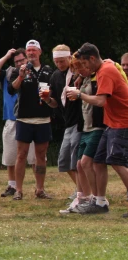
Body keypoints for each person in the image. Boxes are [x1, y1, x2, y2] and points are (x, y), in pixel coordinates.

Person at [72, 43, 128, 214]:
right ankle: (100, 203)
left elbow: (100, 101)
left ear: (92, 58)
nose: (85, 67)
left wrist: (79, 94)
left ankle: (100, 202)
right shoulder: (105, 68)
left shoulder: (105, 72)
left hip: (122, 122)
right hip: (112, 123)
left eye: (85, 63)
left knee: (117, 162)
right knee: (97, 160)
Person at [6, 40, 55, 200]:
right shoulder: (19, 70)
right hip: (24, 119)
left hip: (43, 119)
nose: (31, 53)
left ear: (40, 52)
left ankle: (40, 189)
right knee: (21, 155)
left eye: (34, 50)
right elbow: (11, 89)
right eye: (29, 51)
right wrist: (20, 76)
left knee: (41, 155)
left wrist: (49, 98)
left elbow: (54, 92)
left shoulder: (48, 70)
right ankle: (18, 190)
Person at [0, 47, 36, 198]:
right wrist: (6, 55)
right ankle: (12, 185)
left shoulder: (35, 73)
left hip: (30, 118)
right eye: (16, 61)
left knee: (34, 157)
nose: (20, 63)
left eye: (22, 60)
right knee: (10, 156)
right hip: (11, 119)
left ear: (27, 59)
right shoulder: (8, 74)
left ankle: (39, 187)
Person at [60, 54, 103, 213]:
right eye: (75, 69)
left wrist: (79, 94)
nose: (77, 71)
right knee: (79, 164)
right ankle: (83, 197)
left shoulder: (97, 77)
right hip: (85, 127)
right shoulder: (84, 78)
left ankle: (97, 199)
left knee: (86, 163)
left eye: (79, 68)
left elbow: (99, 100)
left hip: (96, 125)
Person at [43, 44, 83, 200]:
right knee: (64, 161)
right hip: (67, 122)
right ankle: (81, 189)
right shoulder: (55, 76)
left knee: (76, 161)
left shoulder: (77, 72)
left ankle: (82, 192)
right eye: (56, 62)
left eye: (62, 61)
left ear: (69, 57)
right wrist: (47, 100)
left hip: (79, 121)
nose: (59, 64)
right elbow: (55, 103)